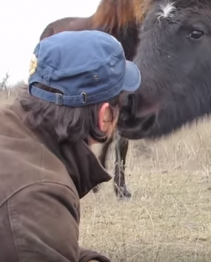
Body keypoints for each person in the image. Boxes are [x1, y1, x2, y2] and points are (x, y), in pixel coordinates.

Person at [0, 30, 141, 261]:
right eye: (121, 104)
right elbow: (29, 236)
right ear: (104, 116)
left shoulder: (10, 130)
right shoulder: (39, 197)